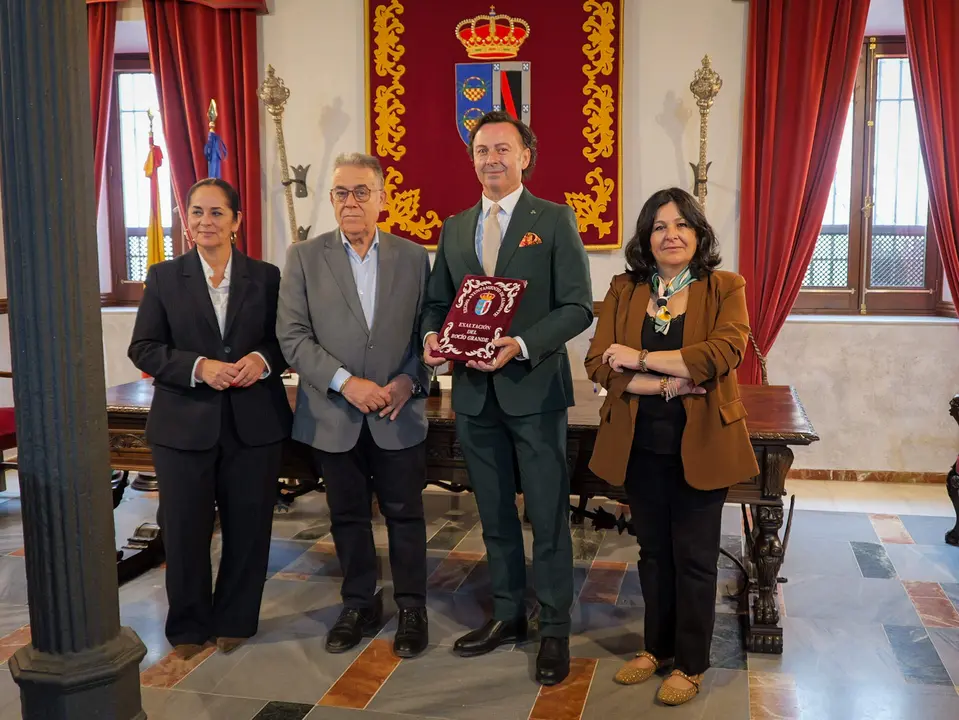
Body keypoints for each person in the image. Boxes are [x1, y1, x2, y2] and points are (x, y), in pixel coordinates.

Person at [421, 111, 592, 685]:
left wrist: (520, 343)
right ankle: (509, 615)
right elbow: (435, 304)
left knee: (546, 517)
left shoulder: (555, 220)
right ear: (471, 159)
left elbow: (576, 307)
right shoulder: (453, 227)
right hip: (472, 395)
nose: (491, 158)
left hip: (535, 392)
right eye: (481, 150)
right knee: (492, 516)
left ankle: (555, 630)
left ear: (526, 156)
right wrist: (431, 338)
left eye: (502, 148)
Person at [584, 187, 759, 706]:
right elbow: (597, 364)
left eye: (682, 224)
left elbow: (723, 352)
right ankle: (654, 649)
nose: (671, 234)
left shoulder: (724, 286)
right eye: (659, 226)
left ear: (699, 234)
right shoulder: (624, 288)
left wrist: (638, 356)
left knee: (696, 557)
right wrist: (667, 380)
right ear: (646, 238)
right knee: (653, 553)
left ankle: (691, 662)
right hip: (640, 443)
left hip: (702, 441)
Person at [128, 178, 292, 659]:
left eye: (217, 213)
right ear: (187, 221)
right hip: (182, 427)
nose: (206, 222)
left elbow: (286, 340)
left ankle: (237, 619)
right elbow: (144, 347)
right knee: (182, 531)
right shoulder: (162, 276)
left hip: (254, 424)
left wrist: (261, 361)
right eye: (197, 212)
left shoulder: (266, 277)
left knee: (248, 527)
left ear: (237, 222)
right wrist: (199, 367)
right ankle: (187, 628)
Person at [276, 152, 432, 658]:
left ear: (383, 199)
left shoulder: (413, 257)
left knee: (406, 514)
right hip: (334, 414)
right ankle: (359, 602)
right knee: (346, 516)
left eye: (361, 192)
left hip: (396, 411)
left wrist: (410, 379)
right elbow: (293, 336)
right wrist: (347, 383)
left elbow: (425, 334)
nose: (350, 202)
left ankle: (412, 607)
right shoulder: (303, 256)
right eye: (341, 193)